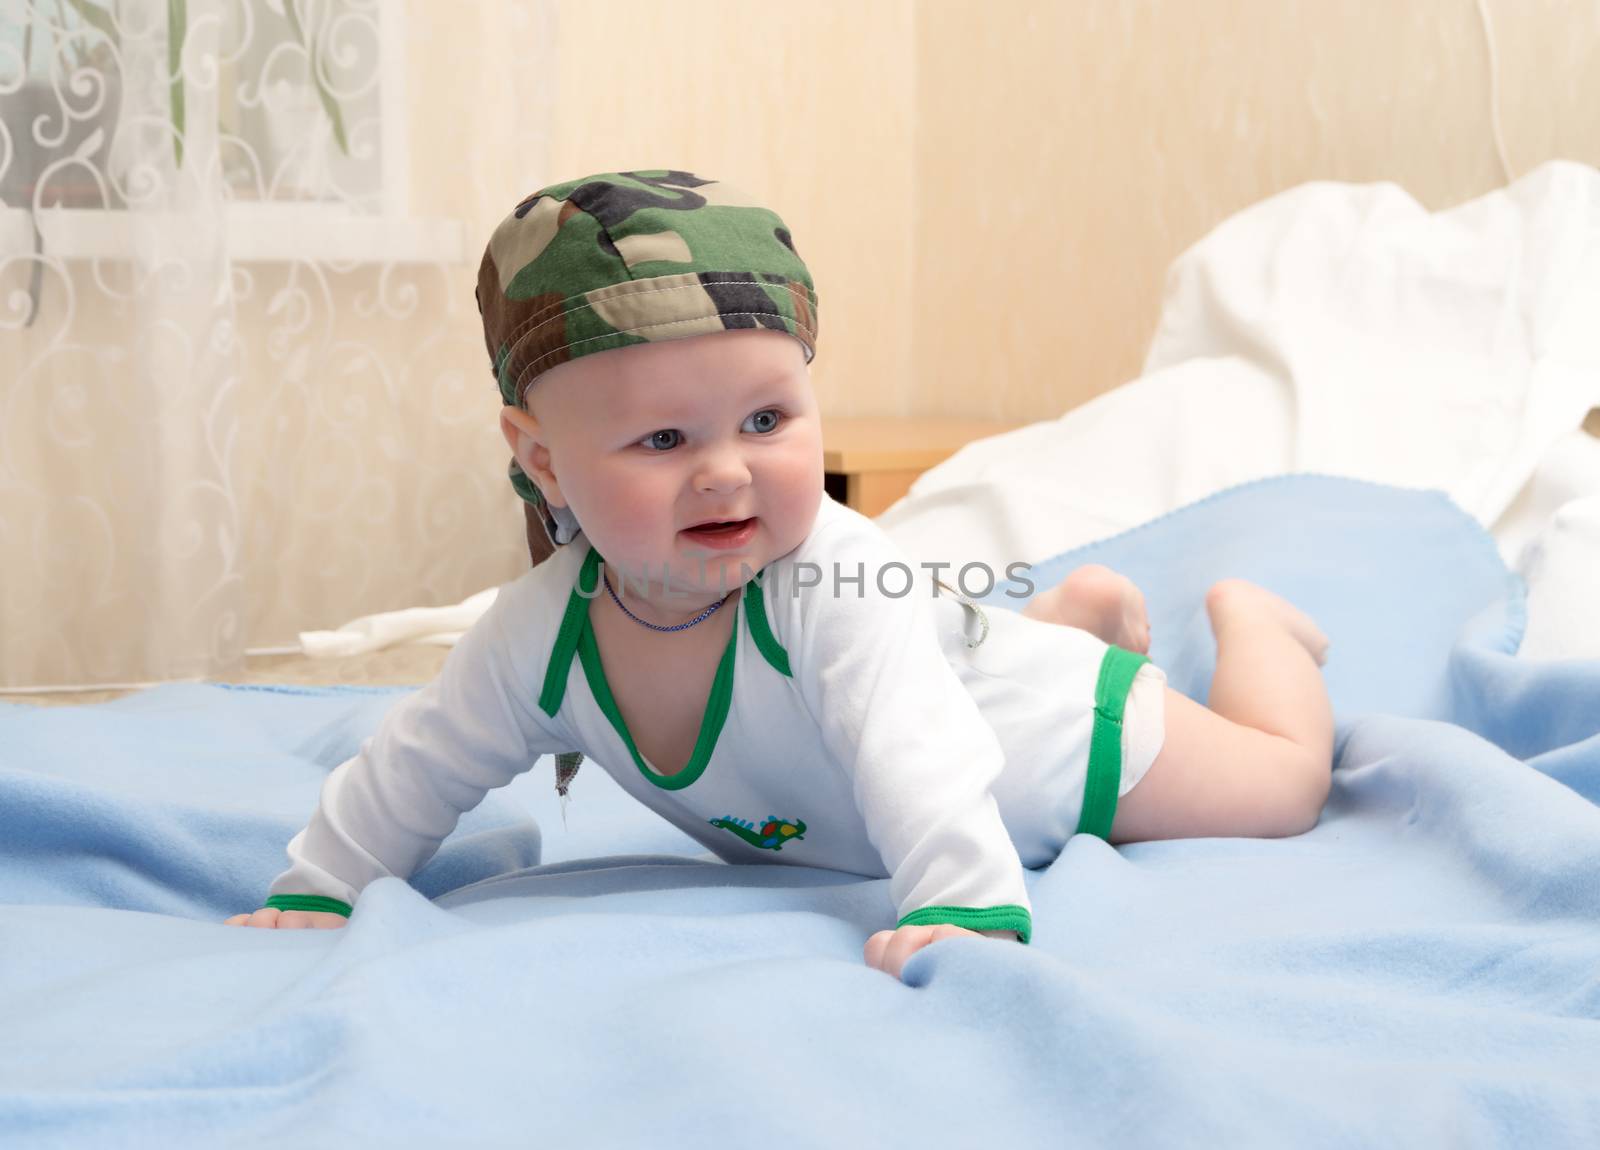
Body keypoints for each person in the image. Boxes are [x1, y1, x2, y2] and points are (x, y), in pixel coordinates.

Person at [227, 170, 1333, 982]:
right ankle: (1052, 618)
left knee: (1282, 787)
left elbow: (917, 746)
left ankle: (1253, 628)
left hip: (1045, 751)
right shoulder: (541, 632)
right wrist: (321, 882)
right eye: (662, 440)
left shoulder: (830, 581)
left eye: (767, 419)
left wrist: (964, 904)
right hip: (944, 698)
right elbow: (420, 760)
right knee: (947, 653)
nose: (725, 473)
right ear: (542, 459)